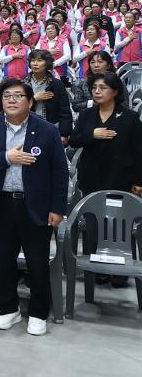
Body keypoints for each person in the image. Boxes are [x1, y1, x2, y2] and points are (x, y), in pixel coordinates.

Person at [0, 79, 68, 336]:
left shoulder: (46, 130)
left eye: (17, 95)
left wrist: (58, 208)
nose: (11, 100)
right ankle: (8, 309)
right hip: (1, 204)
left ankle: (37, 313)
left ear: (30, 101)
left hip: (34, 205)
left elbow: (60, 173)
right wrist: (6, 158)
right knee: (3, 261)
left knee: (37, 262)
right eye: (6, 96)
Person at [69, 71, 142, 286]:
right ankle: (97, 268)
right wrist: (93, 135)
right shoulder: (86, 116)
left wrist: (139, 181)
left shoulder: (128, 117)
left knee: (119, 225)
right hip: (91, 178)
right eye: (94, 88)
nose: (97, 92)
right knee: (93, 224)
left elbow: (139, 152)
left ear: (115, 91)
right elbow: (74, 141)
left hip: (120, 177)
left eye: (103, 88)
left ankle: (120, 271)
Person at [23, 49, 72, 143]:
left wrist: (64, 134)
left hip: (50, 128)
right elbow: (18, 108)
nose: (35, 64)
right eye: (33, 60)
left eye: (39, 60)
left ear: (47, 63)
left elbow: (64, 110)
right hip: (27, 128)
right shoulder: (23, 83)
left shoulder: (56, 84)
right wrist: (34, 99)